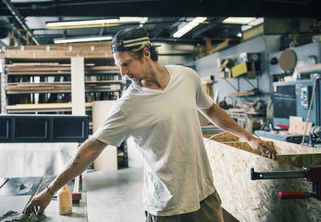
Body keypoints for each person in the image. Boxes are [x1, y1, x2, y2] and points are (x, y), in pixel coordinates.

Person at [24, 27, 276, 221]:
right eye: (118, 65)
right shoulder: (127, 105)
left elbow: (211, 110)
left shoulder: (187, 77)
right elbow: (91, 148)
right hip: (166, 207)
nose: (123, 73)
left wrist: (248, 137)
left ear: (146, 54)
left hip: (205, 197)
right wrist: (49, 191)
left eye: (125, 64)